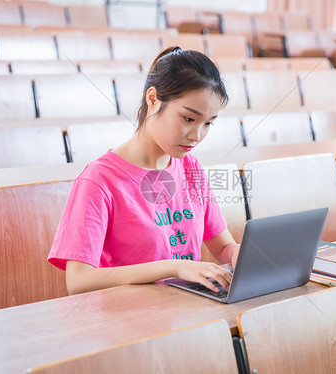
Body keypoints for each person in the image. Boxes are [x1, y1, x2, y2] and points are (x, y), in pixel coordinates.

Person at [48, 46, 240, 295]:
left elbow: (224, 248)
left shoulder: (189, 166)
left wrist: (249, 255)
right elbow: (79, 281)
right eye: (188, 119)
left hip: (185, 311)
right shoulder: (99, 180)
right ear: (153, 99)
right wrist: (173, 267)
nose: (197, 135)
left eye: (208, 124)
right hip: (129, 319)